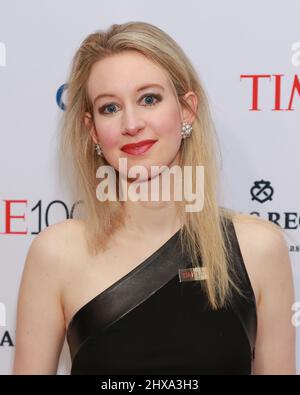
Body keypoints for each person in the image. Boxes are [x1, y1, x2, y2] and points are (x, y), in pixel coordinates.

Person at [13, 21, 295, 375]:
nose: (131, 123)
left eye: (149, 99)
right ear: (92, 131)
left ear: (187, 110)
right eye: (110, 108)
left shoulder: (258, 248)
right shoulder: (56, 253)